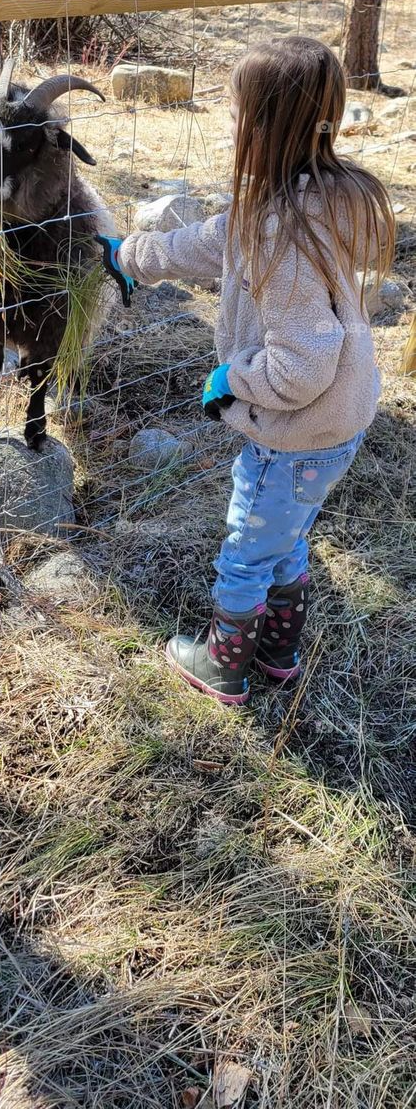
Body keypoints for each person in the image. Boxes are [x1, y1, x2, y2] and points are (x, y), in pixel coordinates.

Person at [97, 37, 394, 706]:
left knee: (246, 548)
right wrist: (130, 256)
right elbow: (208, 241)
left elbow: (302, 365)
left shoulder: (280, 235)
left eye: (234, 115)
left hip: (294, 431)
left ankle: (223, 666)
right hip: (336, 425)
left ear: (262, 127)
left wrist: (232, 379)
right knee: (285, 535)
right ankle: (280, 653)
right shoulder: (311, 200)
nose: (228, 126)